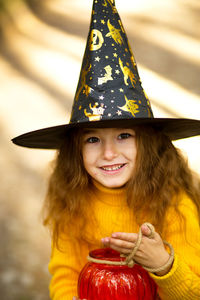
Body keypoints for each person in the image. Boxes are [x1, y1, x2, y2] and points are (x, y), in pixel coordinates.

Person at [12, 0, 200, 299]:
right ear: (75, 150)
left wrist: (163, 265)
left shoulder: (175, 206)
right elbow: (65, 274)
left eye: (124, 135)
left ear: (150, 144)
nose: (109, 153)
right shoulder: (73, 201)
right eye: (93, 139)